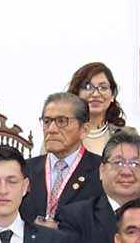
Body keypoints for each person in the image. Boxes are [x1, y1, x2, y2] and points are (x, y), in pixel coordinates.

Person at [23, 92, 100, 224]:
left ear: (84, 130)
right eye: (47, 121)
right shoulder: (25, 169)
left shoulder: (100, 170)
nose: (51, 129)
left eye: (62, 121)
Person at [67, 60, 128, 159]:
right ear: (76, 94)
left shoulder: (127, 135)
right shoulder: (59, 134)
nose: (95, 94)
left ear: (112, 95)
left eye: (103, 88)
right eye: (87, 87)